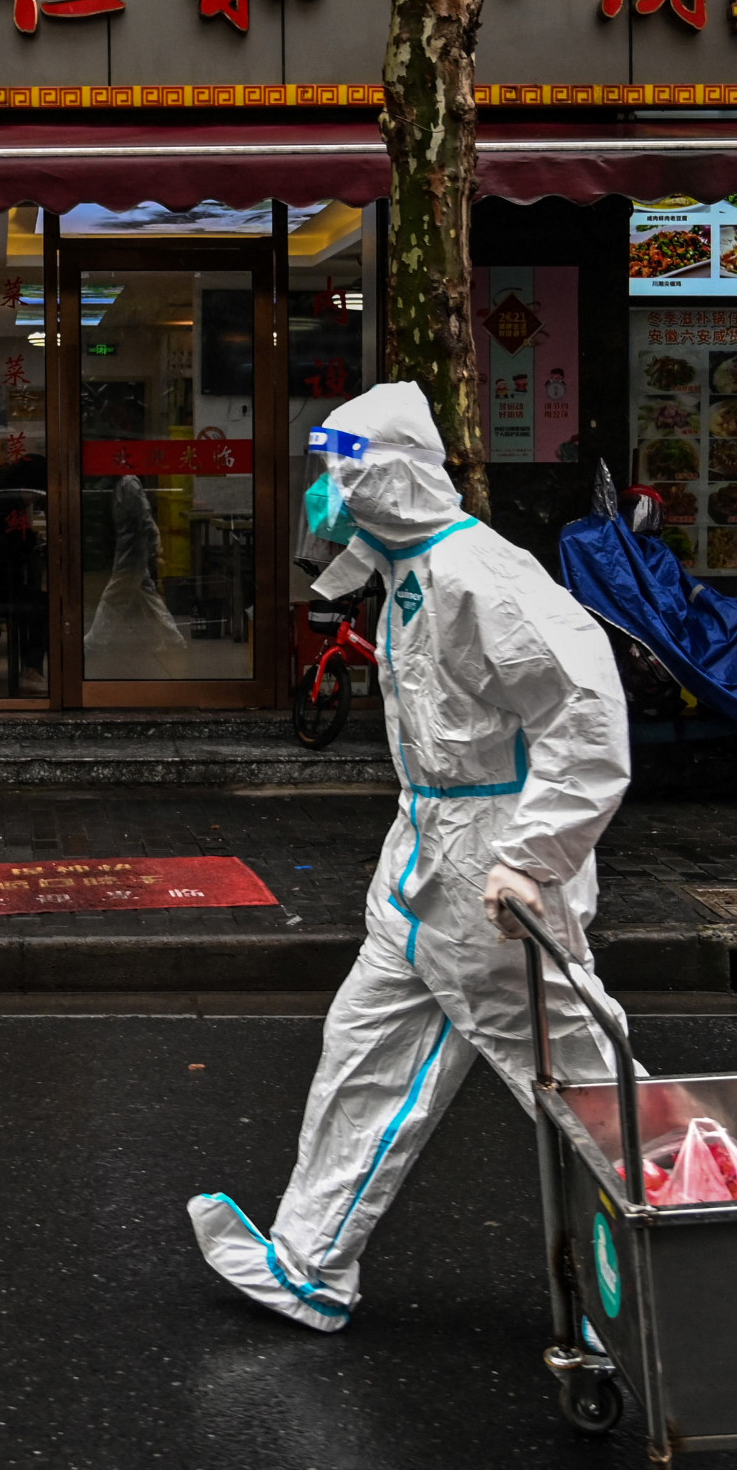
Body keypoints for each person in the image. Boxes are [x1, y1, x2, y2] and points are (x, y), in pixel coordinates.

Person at [188, 381, 633, 1331]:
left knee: (578, 1076)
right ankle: (308, 1263)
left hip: (494, 872)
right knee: (365, 1050)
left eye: (339, 470)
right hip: (428, 864)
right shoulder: (408, 578)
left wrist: (533, 855)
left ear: (386, 478)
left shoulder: (482, 575)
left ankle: (668, 1269)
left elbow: (585, 714)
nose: (325, 490)